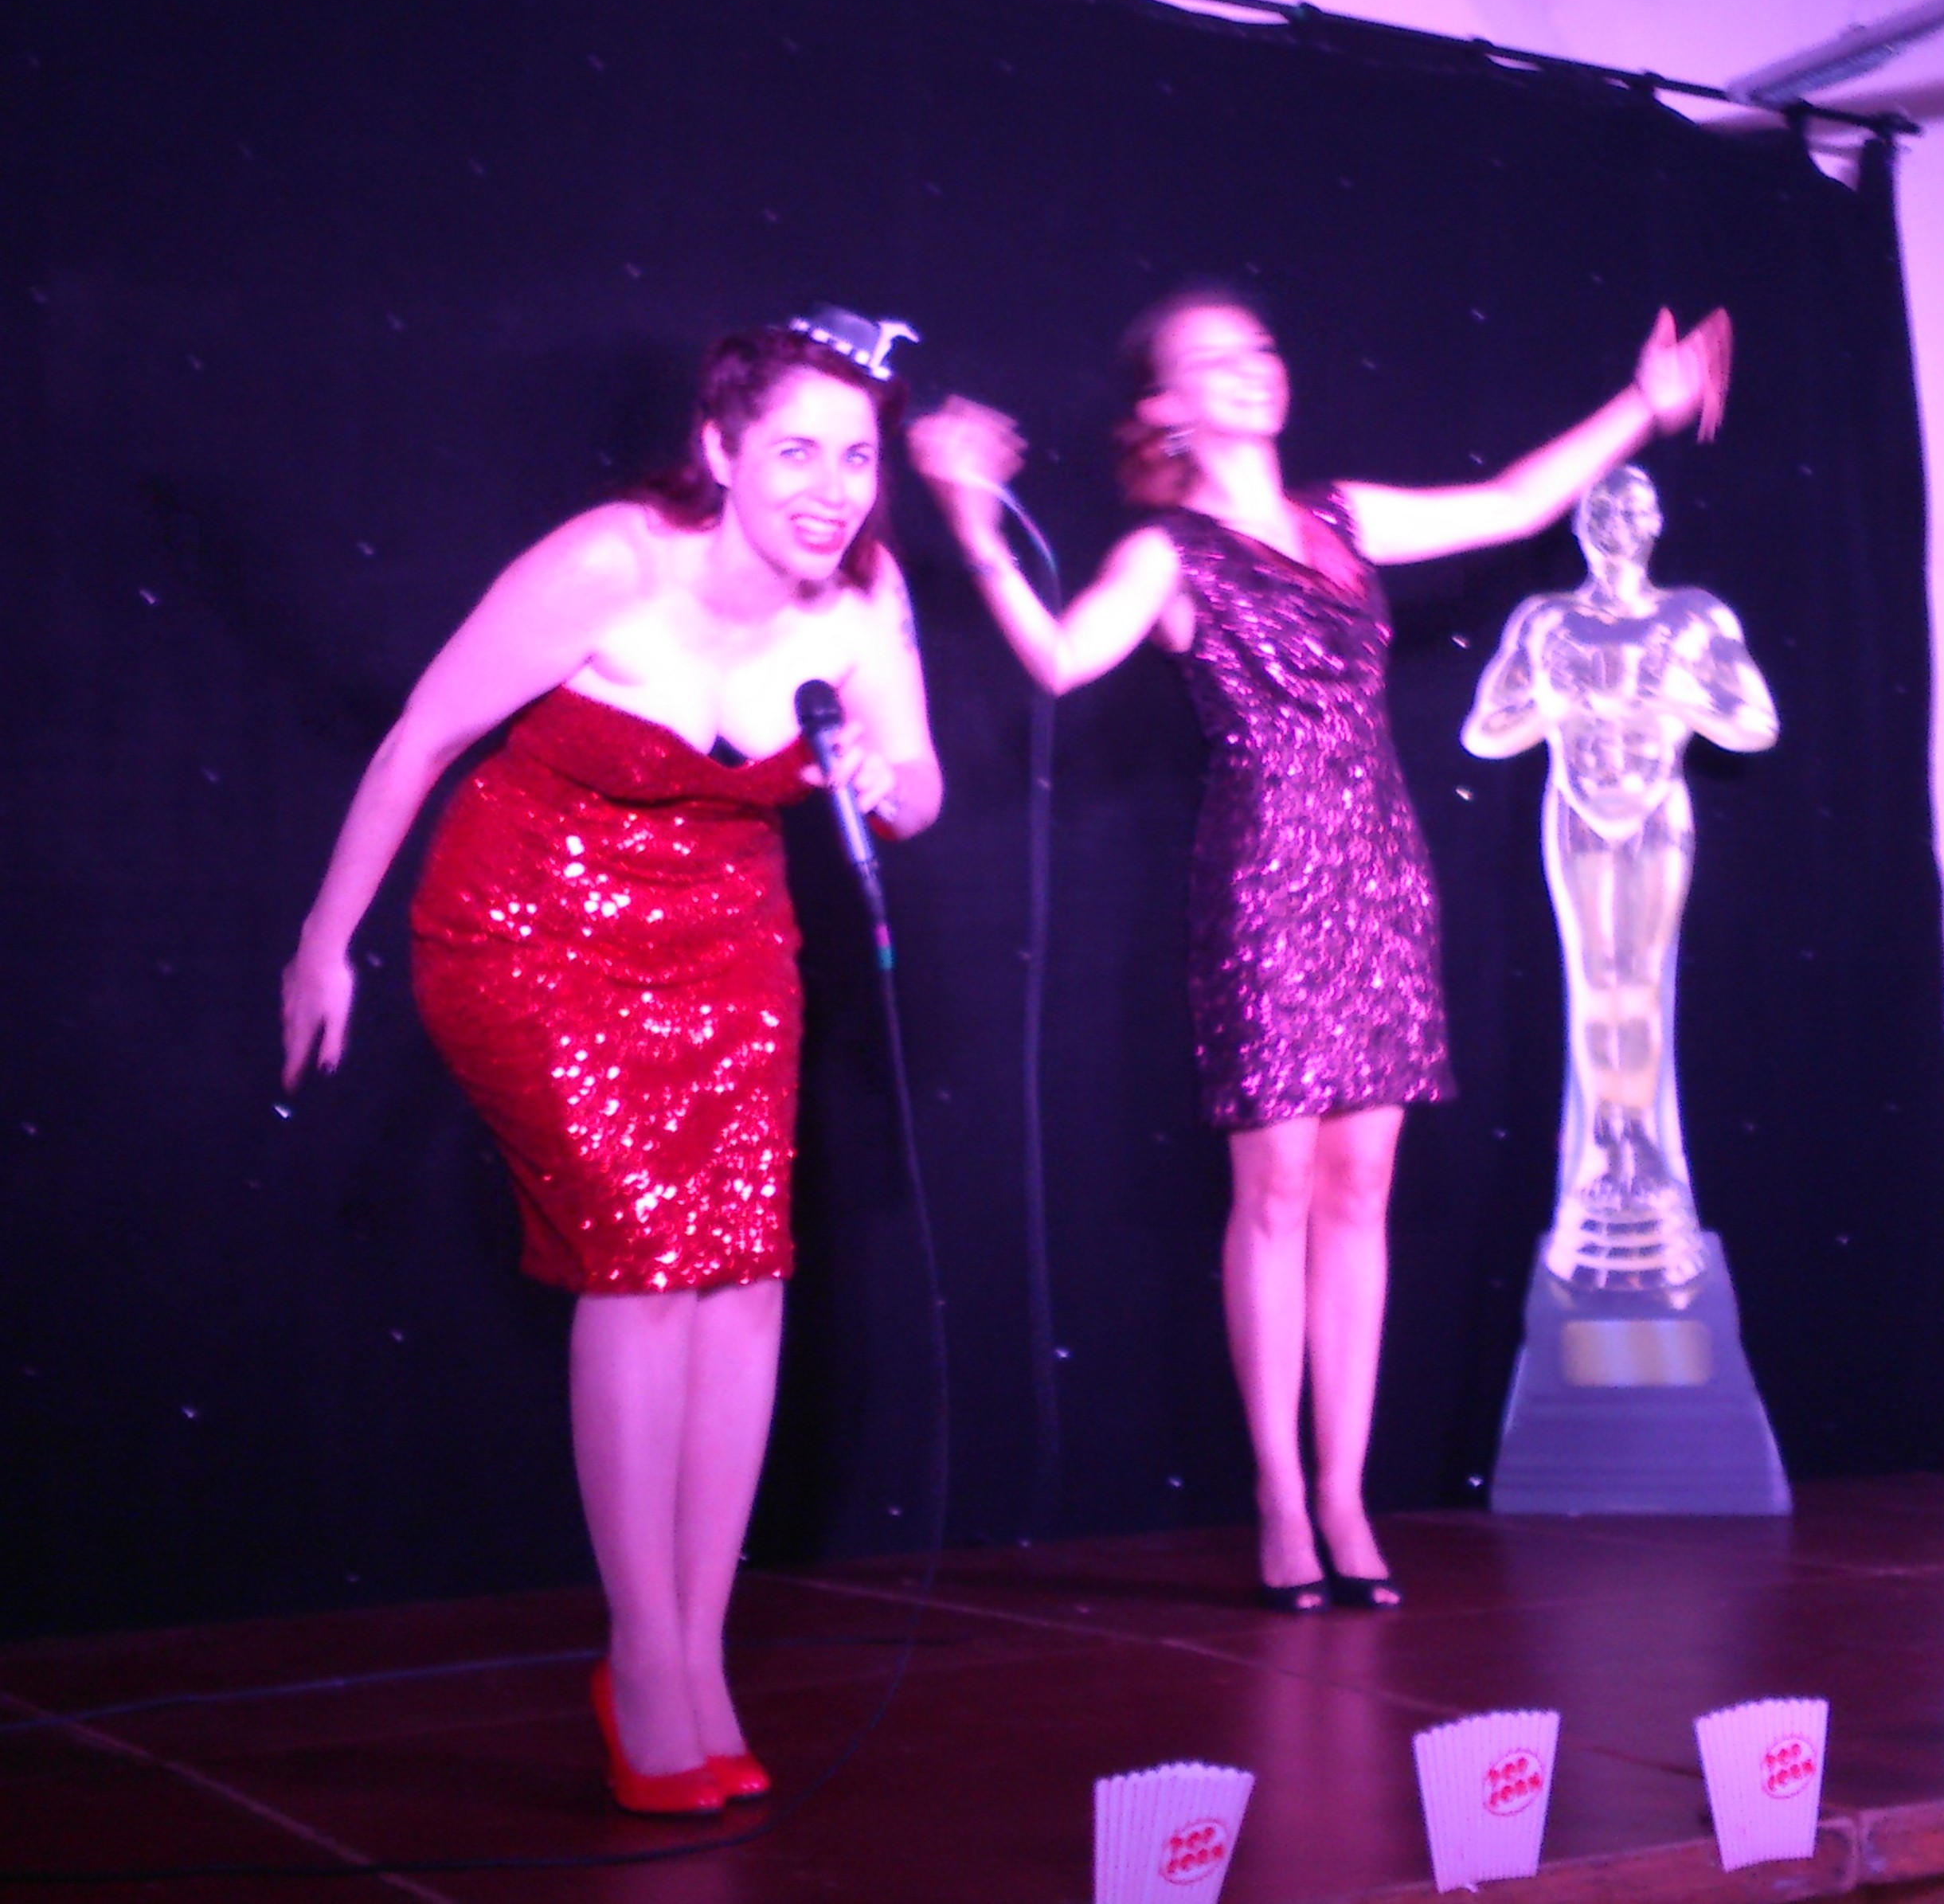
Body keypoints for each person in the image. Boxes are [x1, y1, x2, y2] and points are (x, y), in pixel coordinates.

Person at [912, 288, 1731, 1612]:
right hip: (1265, 877)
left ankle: (1346, 1491)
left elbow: (1514, 502)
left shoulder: (1342, 517)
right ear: (1164, 409)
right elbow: (1062, 660)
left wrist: (1648, 402)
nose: (1250, 366)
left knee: (1362, 1191)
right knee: (1278, 1191)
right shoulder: (1169, 553)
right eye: (1213, 357)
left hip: (1382, 869)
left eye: (1261, 347)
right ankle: (1281, 1498)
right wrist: (969, 523)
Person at [278, 318, 945, 1814]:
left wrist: (880, 780)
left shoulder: (867, 594)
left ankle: (698, 1652)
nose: (830, 486)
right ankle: (644, 1654)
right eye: (796, 451)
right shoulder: (612, 563)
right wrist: (325, 942)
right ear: (721, 452)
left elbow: (918, 788)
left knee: (744, 1274)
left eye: (855, 456)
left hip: (730, 945)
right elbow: (419, 736)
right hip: (532, 929)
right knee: (643, 1263)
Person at [1462, 463, 1779, 1293]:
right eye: (1603, 510)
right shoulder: (1546, 621)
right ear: (1581, 524)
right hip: (1577, 807)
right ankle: (1607, 1147)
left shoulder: (1694, 617)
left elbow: (1757, 722)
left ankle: (1639, 1149)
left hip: (1656, 808)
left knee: (1643, 981)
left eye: (1635, 510)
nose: (1619, 524)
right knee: (1595, 979)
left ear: (1657, 522)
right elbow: (1484, 731)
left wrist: (1678, 701)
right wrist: (1558, 706)